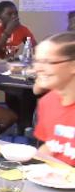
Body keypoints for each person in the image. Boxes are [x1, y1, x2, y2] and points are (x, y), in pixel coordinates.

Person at [32, 31, 75, 166]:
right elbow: (51, 146)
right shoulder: (47, 102)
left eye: (48, 62)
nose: (38, 68)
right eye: (37, 61)